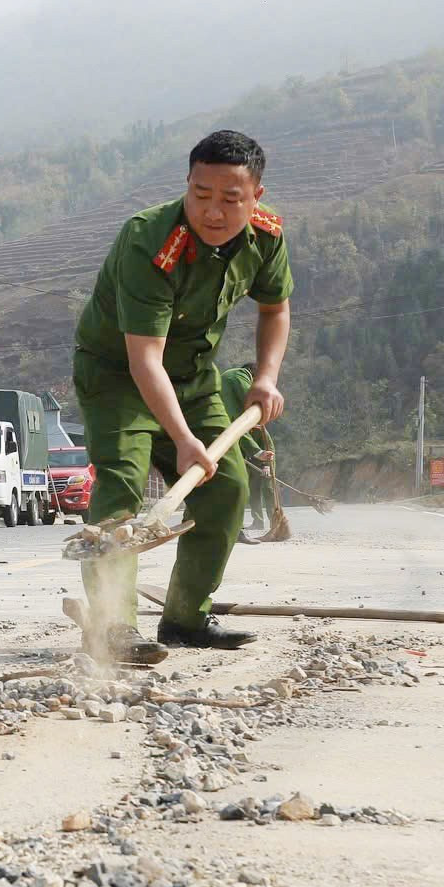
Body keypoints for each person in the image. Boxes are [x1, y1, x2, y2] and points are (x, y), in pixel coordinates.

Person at [73, 130, 292, 655]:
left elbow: (275, 309)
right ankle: (113, 628)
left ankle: (185, 619)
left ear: (256, 197)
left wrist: (265, 377)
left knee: (228, 487)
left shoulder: (266, 236)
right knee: (121, 489)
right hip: (118, 377)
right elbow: (144, 359)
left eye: (230, 199)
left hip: (193, 377)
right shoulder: (150, 241)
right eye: (200, 194)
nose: (213, 212)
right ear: (187, 184)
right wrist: (183, 439)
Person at [219, 363, 277, 544]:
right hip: (247, 455)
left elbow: (268, 447)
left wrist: (266, 464)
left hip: (260, 458)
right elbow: (256, 400)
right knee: (245, 488)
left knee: (266, 488)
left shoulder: (253, 425)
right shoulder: (238, 376)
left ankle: (274, 522)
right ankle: (248, 525)